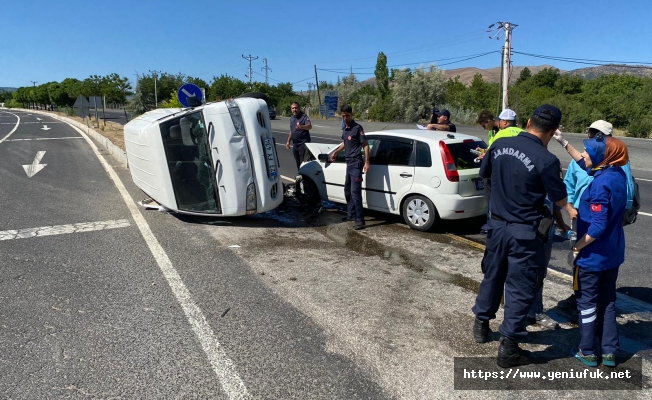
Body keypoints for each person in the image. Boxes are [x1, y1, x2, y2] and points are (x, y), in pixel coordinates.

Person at [471, 104, 568, 368]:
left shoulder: (500, 145)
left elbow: (485, 174)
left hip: (497, 226)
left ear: (528, 122)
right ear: (553, 130)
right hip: (524, 232)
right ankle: (509, 348)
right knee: (520, 287)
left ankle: (481, 325)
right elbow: (559, 198)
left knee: (492, 275)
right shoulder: (548, 160)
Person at [567, 136, 628, 368]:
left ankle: (588, 351)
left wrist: (577, 247)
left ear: (602, 157)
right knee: (608, 301)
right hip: (612, 254)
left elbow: (598, 225)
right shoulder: (617, 175)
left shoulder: (600, 184)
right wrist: (564, 143)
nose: (583, 155)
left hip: (593, 257)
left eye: (587, 152)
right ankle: (610, 352)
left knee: (587, 303)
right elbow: (586, 164)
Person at [552, 120, 635, 220]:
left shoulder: (613, 169)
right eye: (591, 135)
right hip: (581, 213)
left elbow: (598, 225)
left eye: (599, 136)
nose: (594, 139)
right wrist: (564, 142)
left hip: (606, 215)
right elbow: (571, 180)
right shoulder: (591, 162)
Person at [329, 105, 370, 230]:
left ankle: (360, 220)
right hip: (348, 164)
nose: (345, 118)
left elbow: (366, 145)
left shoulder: (357, 128)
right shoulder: (345, 129)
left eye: (347, 115)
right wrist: (335, 152)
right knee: (347, 191)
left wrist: (367, 162)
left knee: (355, 193)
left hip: (356, 164)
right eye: (343, 116)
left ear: (352, 115)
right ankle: (351, 215)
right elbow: (345, 143)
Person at [286, 102, 312, 170]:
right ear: (291, 109)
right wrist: (288, 141)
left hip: (303, 143)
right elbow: (292, 131)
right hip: (295, 144)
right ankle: (300, 175)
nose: (294, 109)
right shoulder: (292, 118)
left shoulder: (304, 117)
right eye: (293, 108)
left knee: (302, 162)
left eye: (296, 108)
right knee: (297, 162)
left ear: (299, 108)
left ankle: (304, 178)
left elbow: (309, 126)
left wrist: (301, 126)